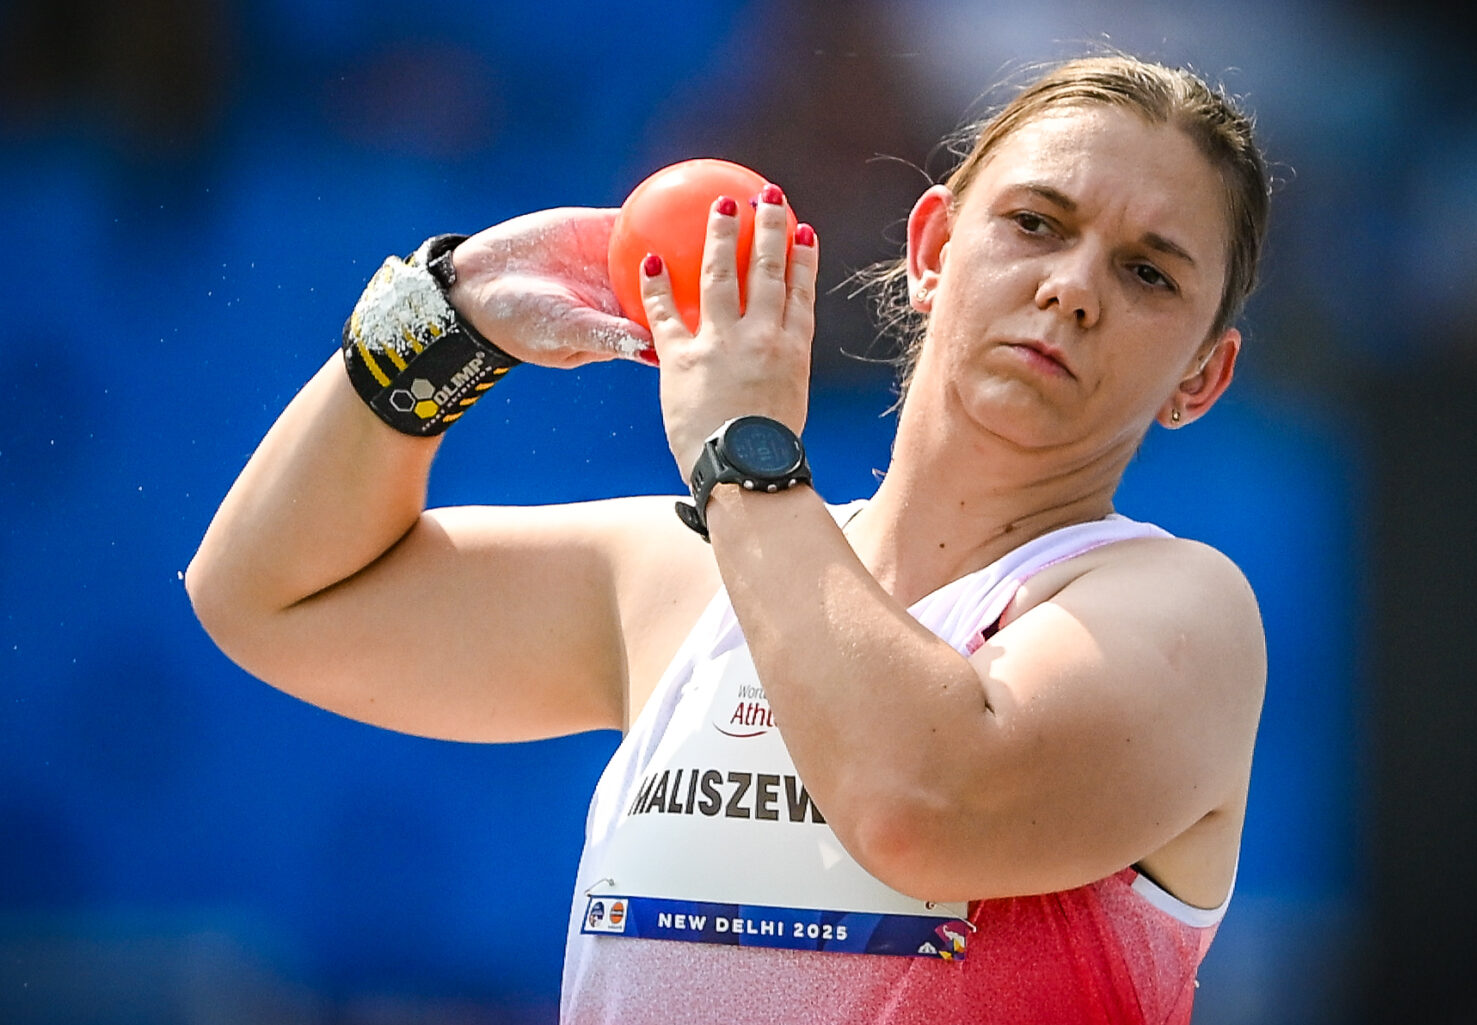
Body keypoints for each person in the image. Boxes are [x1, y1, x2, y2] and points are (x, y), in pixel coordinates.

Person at [187, 52, 1270, 1025]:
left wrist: (740, 451)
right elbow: (268, 596)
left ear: (1202, 377)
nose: (1071, 288)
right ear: (933, 246)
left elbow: (919, 802)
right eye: (1035, 222)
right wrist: (443, 316)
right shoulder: (684, 578)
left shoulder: (1177, 612)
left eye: (1148, 273)